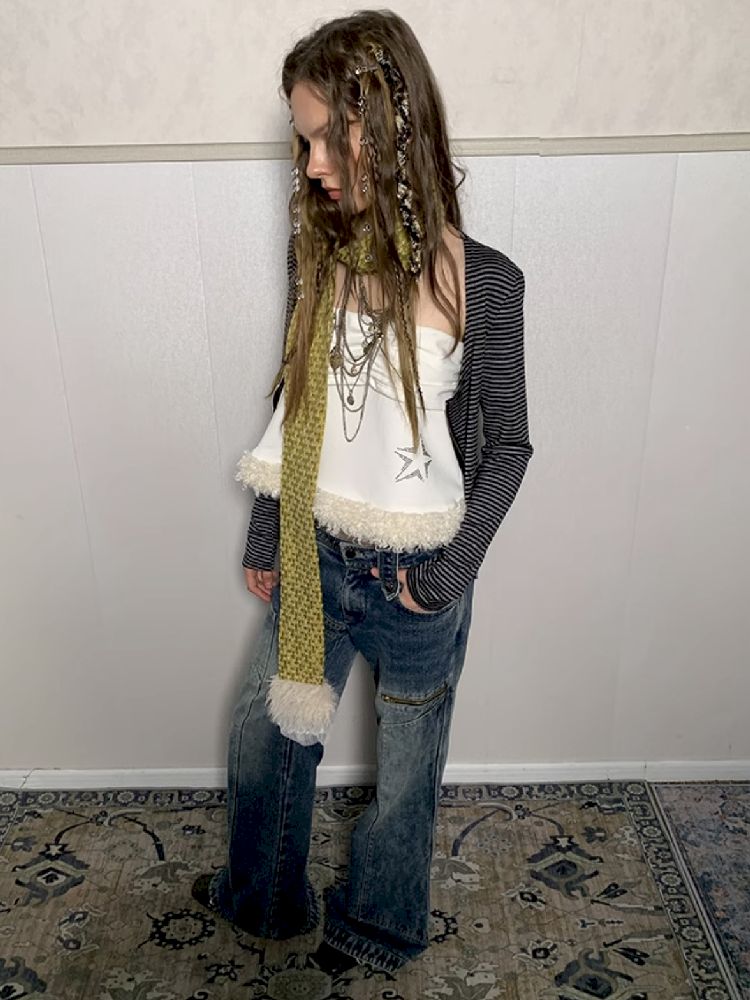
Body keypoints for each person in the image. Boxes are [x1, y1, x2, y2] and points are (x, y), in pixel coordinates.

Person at [192, 8, 534, 977]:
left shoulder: (483, 282)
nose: (309, 166)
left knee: (407, 771)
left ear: (387, 129)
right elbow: (296, 399)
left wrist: (447, 577)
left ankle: (381, 924)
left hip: (419, 575)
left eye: (323, 140)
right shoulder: (319, 257)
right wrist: (268, 532)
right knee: (265, 737)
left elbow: (509, 447)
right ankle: (262, 898)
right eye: (300, 141)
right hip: (317, 554)